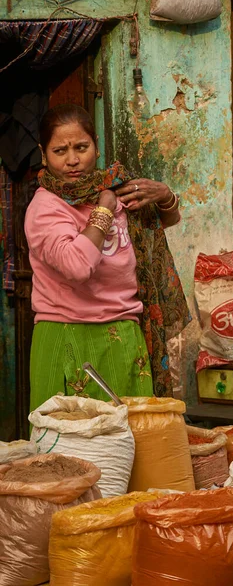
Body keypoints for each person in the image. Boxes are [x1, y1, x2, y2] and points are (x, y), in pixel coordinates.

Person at [25, 103, 190, 410]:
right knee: (75, 447)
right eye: (60, 151)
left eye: (81, 147)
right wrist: (104, 208)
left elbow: (155, 227)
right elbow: (78, 266)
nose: (73, 160)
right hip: (68, 335)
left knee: (132, 439)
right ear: (43, 153)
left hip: (124, 335)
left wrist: (166, 196)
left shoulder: (114, 186)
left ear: (97, 147)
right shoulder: (46, 208)